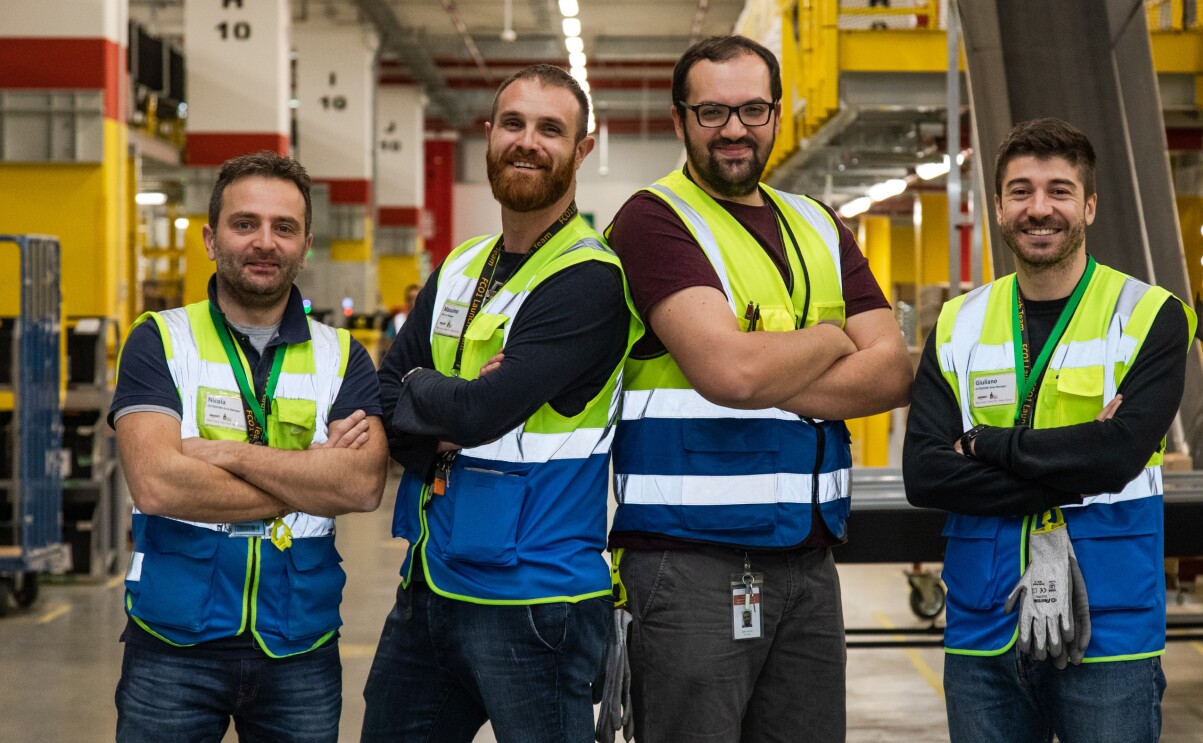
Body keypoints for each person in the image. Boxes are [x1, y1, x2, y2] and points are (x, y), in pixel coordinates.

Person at [605, 35, 912, 742]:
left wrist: (771, 367)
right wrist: (836, 338)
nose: (735, 129)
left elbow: (893, 371)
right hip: (688, 568)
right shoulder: (655, 221)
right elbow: (729, 373)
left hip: (808, 562)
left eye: (752, 109)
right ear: (680, 120)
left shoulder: (817, 224)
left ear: (776, 115)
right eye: (712, 111)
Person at [361, 64, 639, 742]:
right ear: (488, 136)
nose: (528, 141)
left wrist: (428, 392)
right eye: (513, 123)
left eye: (551, 129)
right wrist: (439, 414)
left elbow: (481, 411)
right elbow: (382, 388)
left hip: (537, 601)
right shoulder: (460, 266)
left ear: (582, 149)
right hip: (431, 582)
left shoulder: (589, 278)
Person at [903, 118, 1196, 743]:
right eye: (1021, 191)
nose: (1040, 209)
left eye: (1059, 191)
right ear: (1000, 207)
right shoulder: (958, 323)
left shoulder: (1150, 316)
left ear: (1088, 205)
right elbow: (925, 472)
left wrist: (981, 445)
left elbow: (1116, 458)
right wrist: (1076, 461)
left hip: (1109, 630)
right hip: (985, 626)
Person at [110, 151, 388, 742]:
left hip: (300, 644)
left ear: (306, 244)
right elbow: (158, 483)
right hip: (172, 645)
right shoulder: (159, 339)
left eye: (283, 228)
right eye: (245, 224)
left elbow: (362, 485)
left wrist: (223, 453)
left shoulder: (344, 355)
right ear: (211, 239)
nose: (265, 242)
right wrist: (310, 476)